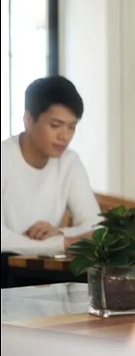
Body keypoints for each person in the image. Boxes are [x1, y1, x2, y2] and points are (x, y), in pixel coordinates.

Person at [1, 76, 101, 264]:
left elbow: (96, 225)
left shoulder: (69, 161)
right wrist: (63, 243)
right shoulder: (4, 157)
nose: (64, 136)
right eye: (55, 125)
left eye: (72, 127)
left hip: (44, 267)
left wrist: (61, 233)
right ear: (29, 120)